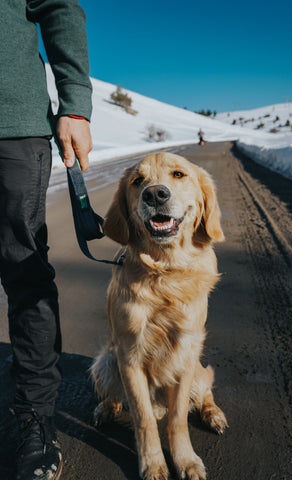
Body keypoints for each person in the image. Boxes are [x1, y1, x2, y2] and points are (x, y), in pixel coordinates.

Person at [0, 1, 93, 479]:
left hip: (10, 129)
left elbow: (58, 5)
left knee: (25, 269)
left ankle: (35, 417)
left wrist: (74, 102)